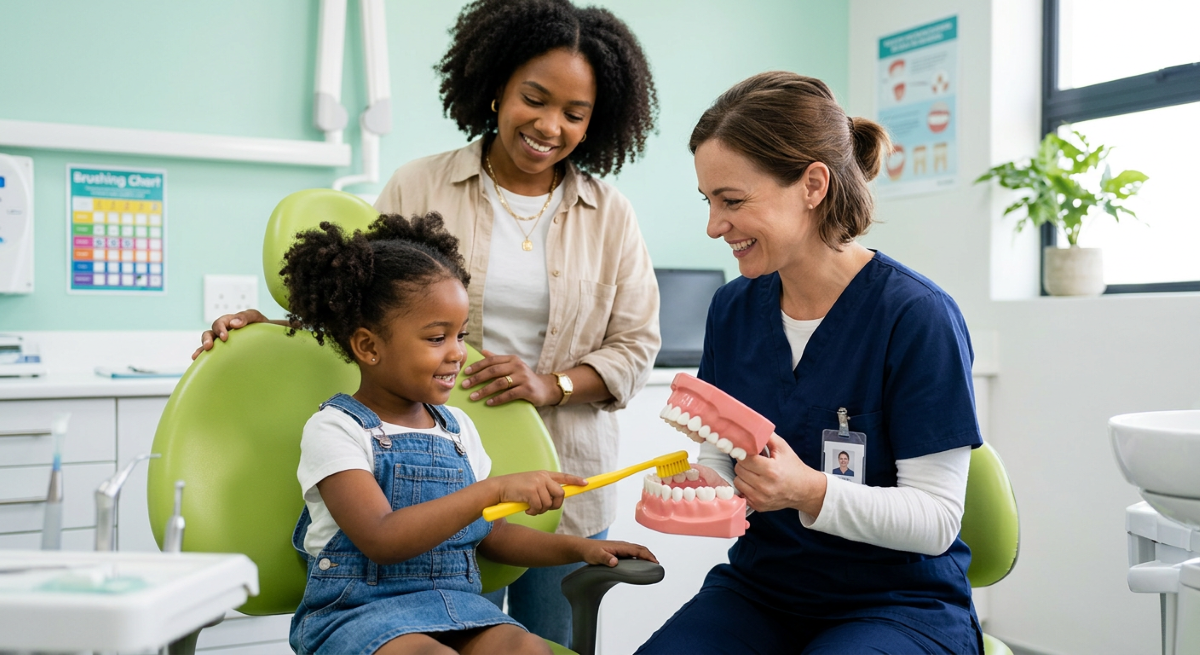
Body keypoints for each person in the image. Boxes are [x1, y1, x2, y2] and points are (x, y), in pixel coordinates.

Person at [193, 1, 660, 646]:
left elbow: (637, 346)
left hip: (556, 476)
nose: (551, 125)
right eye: (535, 98)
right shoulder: (421, 185)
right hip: (429, 508)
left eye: (575, 114)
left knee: (531, 635)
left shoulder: (611, 215)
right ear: (497, 86)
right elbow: (364, 293)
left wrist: (552, 385)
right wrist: (272, 326)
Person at [639, 72, 983, 654]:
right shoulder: (733, 308)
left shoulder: (916, 317)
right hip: (763, 592)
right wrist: (702, 485)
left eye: (732, 201)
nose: (713, 225)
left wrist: (809, 492)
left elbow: (936, 519)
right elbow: (722, 455)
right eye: (709, 201)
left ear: (813, 185)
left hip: (898, 603)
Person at [282, 213, 655, 655]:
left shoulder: (457, 430)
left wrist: (581, 548)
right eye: (437, 338)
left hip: (455, 608)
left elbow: (488, 535)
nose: (459, 353)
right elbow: (382, 538)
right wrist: (491, 490)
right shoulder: (337, 429)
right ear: (368, 346)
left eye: (460, 335)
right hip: (358, 614)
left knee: (527, 648)